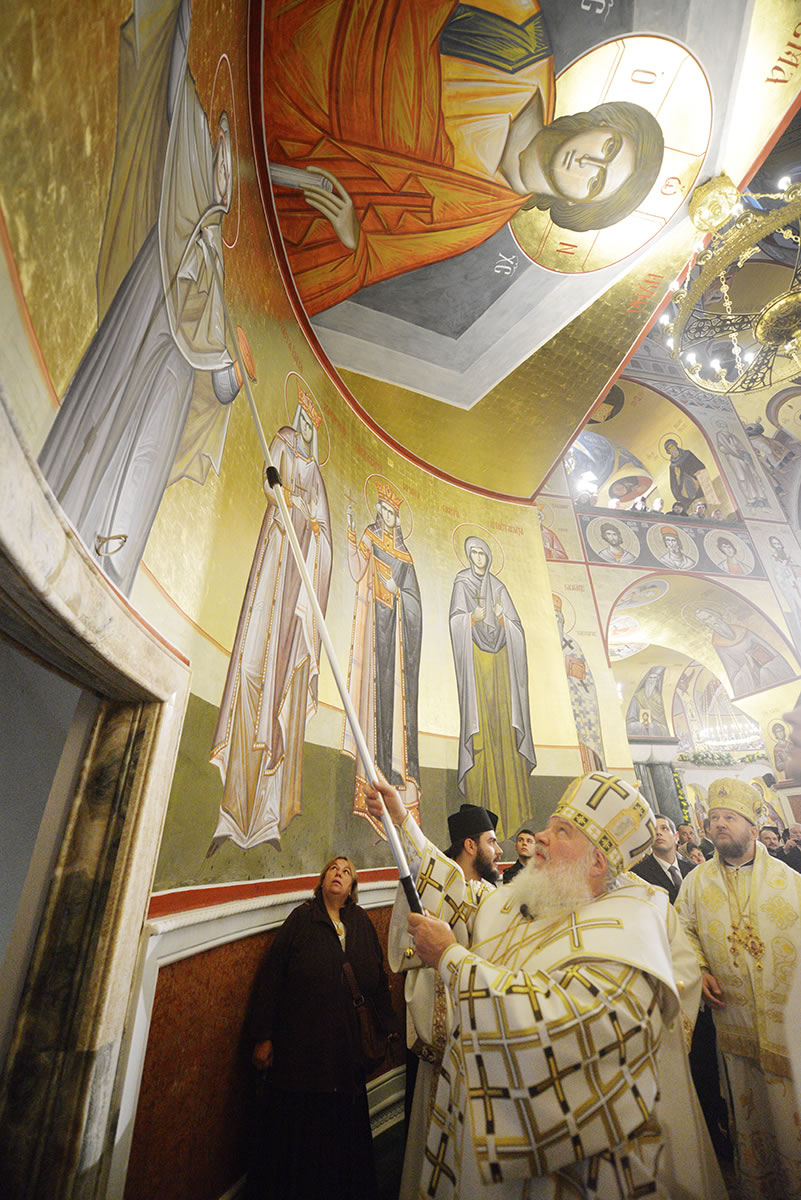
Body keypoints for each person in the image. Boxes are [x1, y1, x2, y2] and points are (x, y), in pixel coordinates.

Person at [371, 772, 726, 1199]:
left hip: (572, 1165)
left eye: (561, 831)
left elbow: (565, 1029)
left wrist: (451, 959)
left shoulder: (631, 923)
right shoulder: (539, 894)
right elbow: (458, 893)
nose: (540, 835)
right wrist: (402, 822)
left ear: (597, 862)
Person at [38, 0, 252, 595]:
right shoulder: (186, 202)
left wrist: (232, 372)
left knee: (148, 451)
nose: (226, 168)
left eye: (230, 165)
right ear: (212, 148)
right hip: (147, 331)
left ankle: (113, 558)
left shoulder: (216, 258)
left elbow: (215, 378)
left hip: (173, 377)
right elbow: (175, 80)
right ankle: (77, 512)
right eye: (223, 151)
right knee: (114, 417)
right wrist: (181, 15)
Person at [262, 0, 664, 314]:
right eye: (608, 148)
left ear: (576, 205)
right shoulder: (519, 39)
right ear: (599, 123)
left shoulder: (474, 219)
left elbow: (365, 260)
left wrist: (350, 234)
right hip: (286, 37)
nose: (587, 164)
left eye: (596, 182)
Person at [210, 386, 332, 850]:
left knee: (280, 686)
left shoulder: (316, 472)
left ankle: (265, 817)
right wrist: (285, 501)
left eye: (311, 422)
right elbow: (270, 483)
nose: (305, 425)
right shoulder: (281, 440)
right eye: (303, 415)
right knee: (252, 668)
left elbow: (323, 533)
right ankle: (232, 813)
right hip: (276, 557)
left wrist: (315, 529)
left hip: (297, 578)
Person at [676, 778, 801, 1200]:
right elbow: (681, 931)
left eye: (729, 817)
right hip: (734, 1023)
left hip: (787, 1027)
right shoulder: (695, 882)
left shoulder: (790, 881)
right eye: (714, 817)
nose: (719, 824)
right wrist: (699, 967)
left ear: (751, 825)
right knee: (750, 1115)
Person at [249, 856, 395, 1200]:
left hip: (345, 1051)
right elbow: (272, 978)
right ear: (322, 879)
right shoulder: (302, 919)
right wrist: (263, 1036)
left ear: (352, 886)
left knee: (341, 1128)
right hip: (302, 1050)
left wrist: (388, 1027)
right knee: (299, 1130)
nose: (338, 874)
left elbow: (377, 978)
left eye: (346, 872)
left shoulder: (360, 922)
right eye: (333, 869)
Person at [345, 481, 423, 832]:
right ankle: (373, 768)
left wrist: (399, 592)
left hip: (397, 638)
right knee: (375, 700)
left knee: (394, 704)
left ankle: (394, 769)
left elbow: (415, 603)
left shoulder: (405, 557)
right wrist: (351, 536)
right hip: (374, 637)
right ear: (379, 512)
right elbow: (357, 568)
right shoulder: (370, 537)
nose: (388, 517)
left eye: (393, 513)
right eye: (385, 511)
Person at [449, 536, 536, 837]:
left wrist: (501, 619)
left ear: (488, 556)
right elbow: (455, 622)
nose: (478, 558)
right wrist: (470, 620)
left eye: (482, 553)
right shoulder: (461, 583)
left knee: (503, 734)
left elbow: (517, 630)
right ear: (468, 555)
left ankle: (512, 812)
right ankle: (481, 816)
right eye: (473, 552)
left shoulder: (498, 587)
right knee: (481, 732)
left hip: (500, 667)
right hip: (476, 666)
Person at [692, 606, 795, 697]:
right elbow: (733, 675)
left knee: (766, 672)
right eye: (705, 620)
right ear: (705, 624)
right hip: (754, 678)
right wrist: (749, 665)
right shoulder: (718, 644)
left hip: (770, 667)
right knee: (763, 674)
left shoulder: (742, 630)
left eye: (710, 616)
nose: (711, 621)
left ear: (716, 615)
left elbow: (770, 650)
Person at [631, 813, 694, 902]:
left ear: (676, 837)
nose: (658, 833)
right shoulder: (639, 875)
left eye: (664, 828)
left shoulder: (692, 868)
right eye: (654, 830)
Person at [446, 802, 503, 885]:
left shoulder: (490, 890)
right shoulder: (444, 891)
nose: (499, 851)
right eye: (491, 842)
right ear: (470, 846)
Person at [664, 438, 707, 507]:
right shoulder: (672, 467)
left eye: (672, 446)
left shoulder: (688, 454)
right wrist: (678, 477)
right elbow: (674, 486)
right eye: (669, 448)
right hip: (685, 491)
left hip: (697, 483)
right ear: (668, 451)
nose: (672, 449)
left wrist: (696, 474)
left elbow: (700, 466)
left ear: (676, 445)